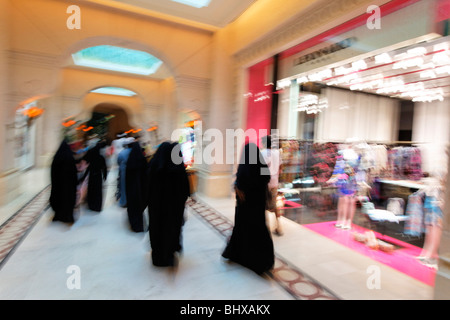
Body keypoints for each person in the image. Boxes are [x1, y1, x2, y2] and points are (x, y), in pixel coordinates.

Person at [222, 142, 275, 275]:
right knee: (258, 231)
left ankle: (240, 256)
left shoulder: (243, 167)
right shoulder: (261, 165)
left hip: (244, 209)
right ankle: (260, 262)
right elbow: (266, 178)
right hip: (257, 208)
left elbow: (239, 182)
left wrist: (238, 187)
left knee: (242, 230)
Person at [147, 141, 190, 267]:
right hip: (174, 208)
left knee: (157, 230)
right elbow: (185, 189)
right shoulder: (177, 168)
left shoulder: (154, 166)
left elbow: (148, 188)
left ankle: (158, 257)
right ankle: (170, 254)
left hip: (156, 208)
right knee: (172, 229)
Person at [49, 139, 78, 224]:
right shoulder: (70, 157)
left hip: (58, 185)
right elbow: (73, 172)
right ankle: (68, 216)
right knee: (68, 200)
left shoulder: (57, 157)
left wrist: (54, 182)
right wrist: (75, 182)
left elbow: (52, 172)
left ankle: (58, 215)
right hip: (68, 186)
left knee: (58, 199)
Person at [260, 135, 283, 235]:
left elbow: (260, 169)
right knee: (274, 205)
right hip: (274, 182)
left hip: (265, 183)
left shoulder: (262, 153)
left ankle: (267, 229)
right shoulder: (277, 153)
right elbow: (281, 167)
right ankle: (279, 227)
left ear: (265, 143)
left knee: (262, 205)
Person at [126, 140, 148, 232]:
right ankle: (141, 224)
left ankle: (135, 225)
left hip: (132, 189)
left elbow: (126, 178)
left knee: (133, 207)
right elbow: (146, 174)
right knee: (140, 207)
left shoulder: (130, 161)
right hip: (141, 189)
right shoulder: (142, 160)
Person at [83, 141, 108, 212]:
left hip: (92, 175)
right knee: (97, 191)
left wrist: (84, 176)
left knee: (91, 190)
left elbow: (87, 163)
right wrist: (104, 176)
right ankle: (97, 206)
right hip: (98, 175)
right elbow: (104, 167)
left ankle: (91, 205)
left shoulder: (91, 155)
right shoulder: (101, 157)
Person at [117, 137, 133, 207]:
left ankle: (124, 201)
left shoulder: (122, 153)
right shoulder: (135, 151)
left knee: (123, 186)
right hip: (132, 171)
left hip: (124, 171)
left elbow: (118, 161)